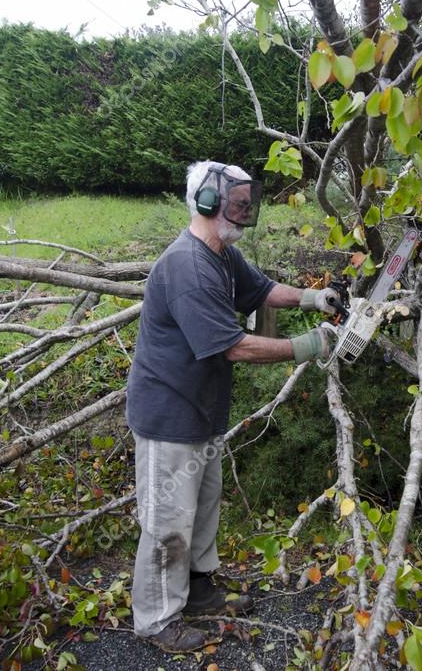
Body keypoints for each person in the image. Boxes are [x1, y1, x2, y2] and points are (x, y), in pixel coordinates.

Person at [125, 161, 340, 652]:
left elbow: (262, 290)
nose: (246, 210)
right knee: (167, 521)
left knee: (199, 511)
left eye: (248, 201)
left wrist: (314, 298)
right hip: (168, 413)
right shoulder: (187, 267)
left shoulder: (221, 254)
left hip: (201, 408)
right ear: (207, 202)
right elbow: (233, 345)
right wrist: (310, 346)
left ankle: (198, 592)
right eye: (238, 202)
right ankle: (156, 619)